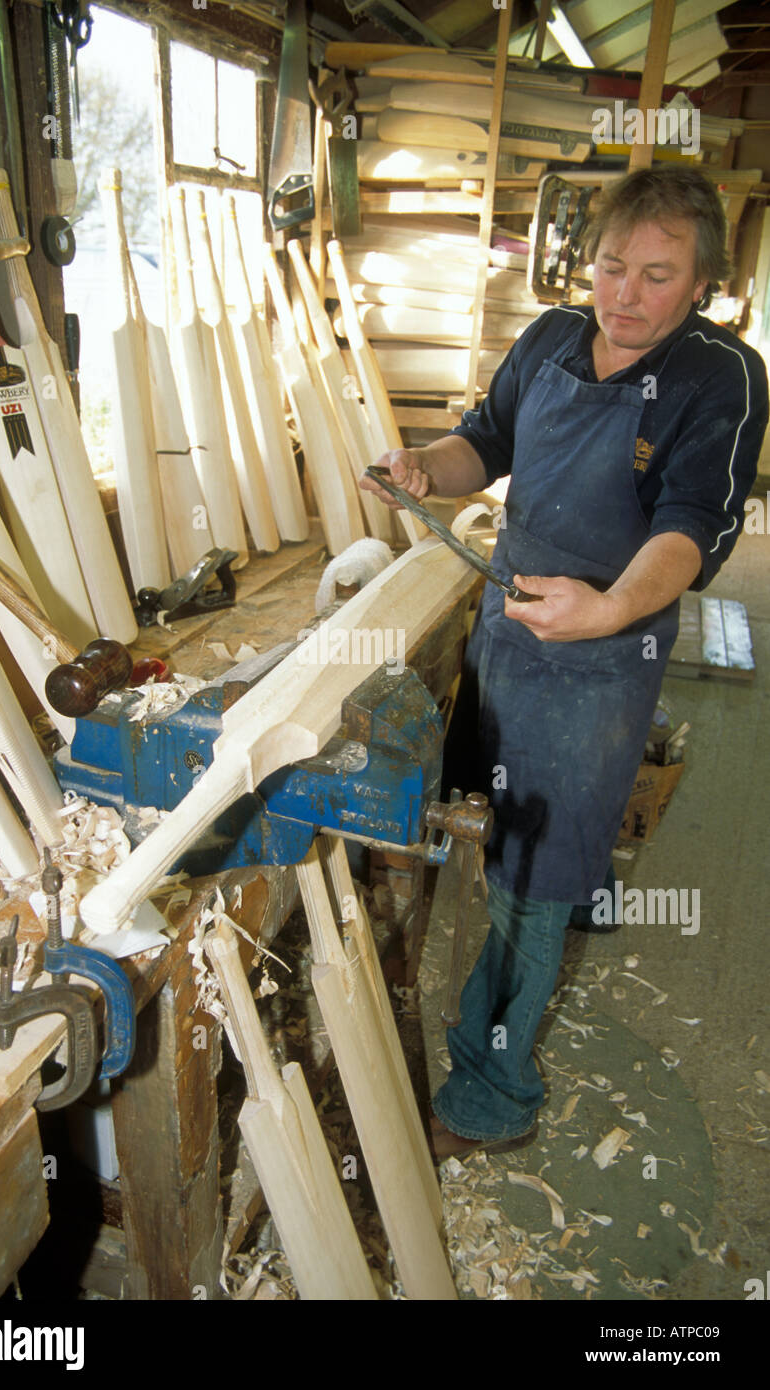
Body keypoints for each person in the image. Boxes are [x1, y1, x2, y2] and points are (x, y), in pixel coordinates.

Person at [361, 165, 769, 1162]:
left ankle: (493, 1090)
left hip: (599, 661)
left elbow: (693, 529)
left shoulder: (722, 375)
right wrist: (426, 471)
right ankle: (577, 881)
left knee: (531, 885)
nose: (625, 296)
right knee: (498, 830)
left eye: (658, 276)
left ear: (704, 281)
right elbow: (482, 442)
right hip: (506, 634)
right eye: (611, 267)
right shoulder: (549, 338)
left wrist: (608, 607)